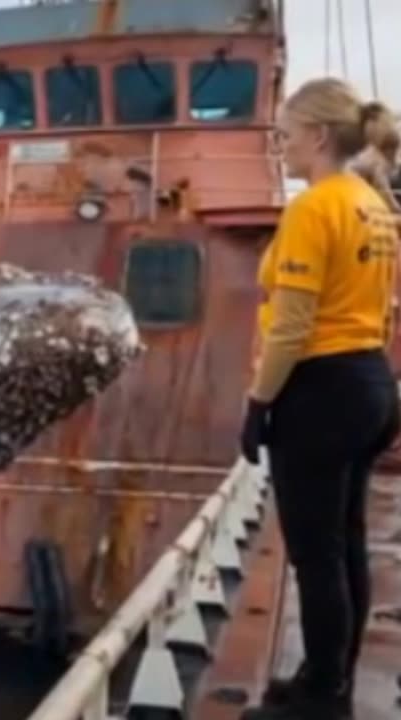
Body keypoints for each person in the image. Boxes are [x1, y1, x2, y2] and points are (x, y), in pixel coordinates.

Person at [239, 77, 401, 719]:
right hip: (370, 382)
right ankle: (329, 676)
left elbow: (291, 324)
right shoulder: (371, 202)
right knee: (346, 541)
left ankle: (318, 696)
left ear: (317, 136)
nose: (280, 147)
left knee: (314, 553)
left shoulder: (314, 207)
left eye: (284, 135)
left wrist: (258, 403)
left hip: (321, 389)